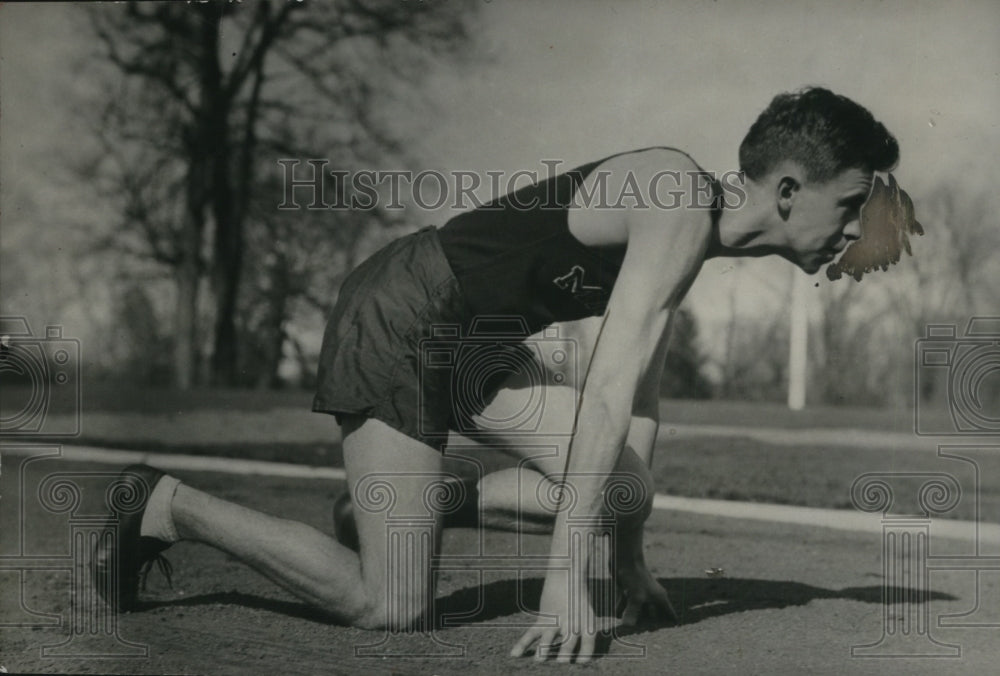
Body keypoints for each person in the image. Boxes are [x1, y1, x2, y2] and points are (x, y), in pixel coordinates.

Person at [93, 87, 898, 664]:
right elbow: (608, 389)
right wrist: (564, 578)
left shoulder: (694, 235)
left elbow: (639, 394)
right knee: (391, 606)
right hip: (408, 308)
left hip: (476, 341)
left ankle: (420, 501)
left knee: (626, 487)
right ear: (788, 191)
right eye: (853, 201)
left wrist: (626, 557)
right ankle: (166, 505)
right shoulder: (677, 200)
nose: (860, 227)